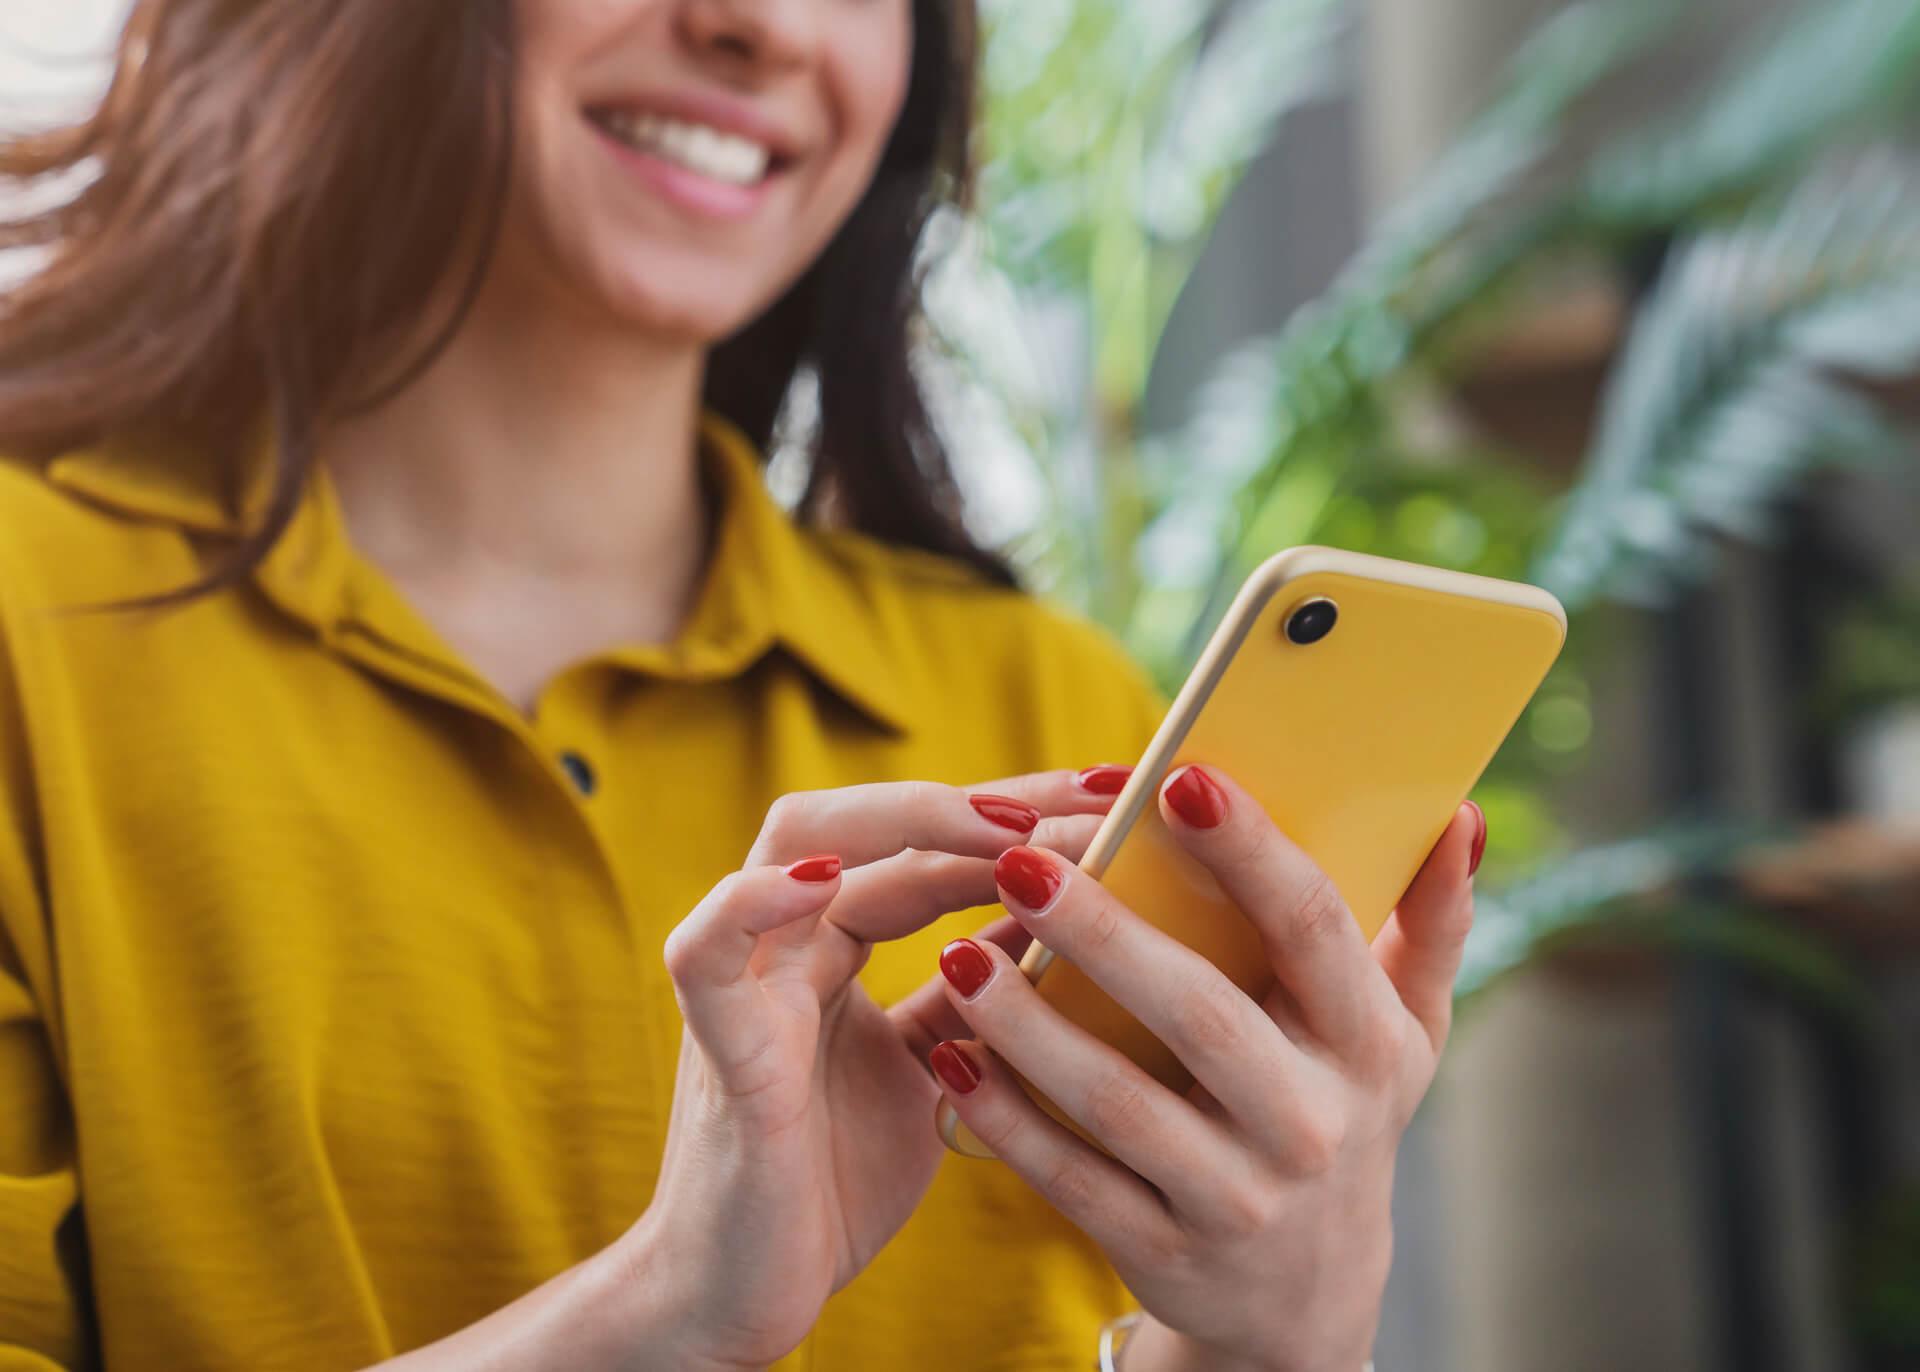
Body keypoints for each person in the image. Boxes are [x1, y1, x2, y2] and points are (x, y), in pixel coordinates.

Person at [0, 2, 1485, 1368]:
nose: (761, 26)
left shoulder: (1060, 714)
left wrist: (1275, 1337)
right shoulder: (32, 638)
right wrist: (661, 1315)